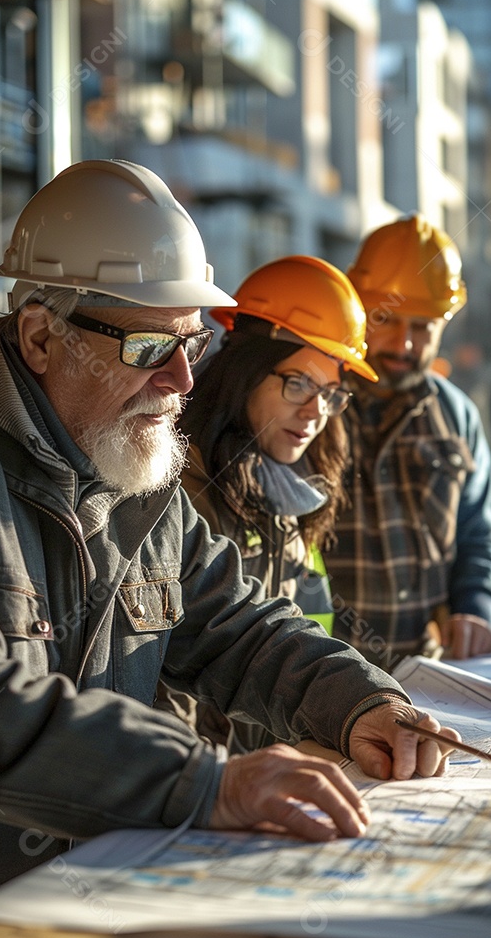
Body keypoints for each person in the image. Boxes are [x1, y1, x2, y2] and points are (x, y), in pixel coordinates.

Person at [0, 162, 456, 938]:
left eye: (192, 344)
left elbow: (242, 627)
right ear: (38, 336)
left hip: (101, 921)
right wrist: (203, 782)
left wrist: (359, 702)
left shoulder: (138, 476)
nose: (181, 380)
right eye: (149, 347)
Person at [158, 255, 378, 750]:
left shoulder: (292, 491)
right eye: (297, 383)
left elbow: (306, 628)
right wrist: (215, 784)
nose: (316, 412)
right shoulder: (177, 489)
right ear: (245, 370)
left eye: (330, 392)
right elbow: (158, 677)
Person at [324, 213, 491, 669]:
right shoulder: (312, 404)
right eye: (388, 319)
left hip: (423, 682)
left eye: (424, 326)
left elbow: (478, 530)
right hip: (313, 685)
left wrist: (475, 606)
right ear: (358, 307)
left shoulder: (457, 415)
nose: (406, 344)